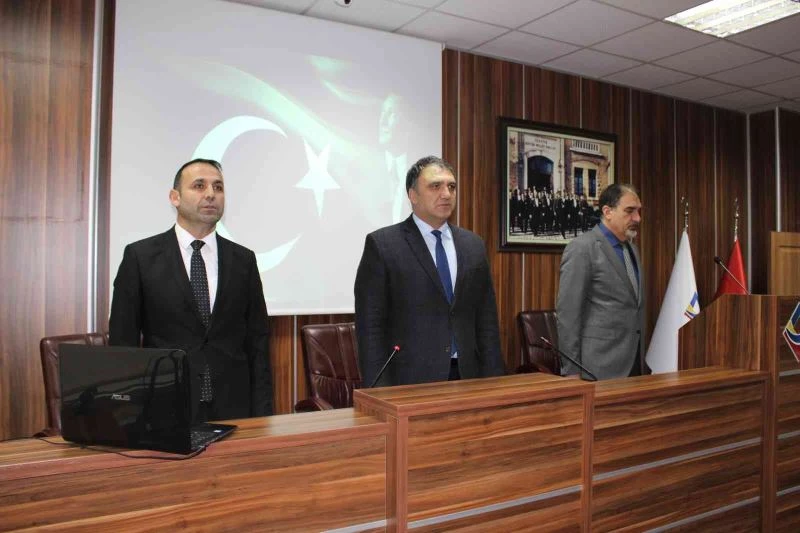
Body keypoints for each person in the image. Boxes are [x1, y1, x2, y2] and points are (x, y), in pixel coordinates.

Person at [109, 158, 272, 421]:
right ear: (175, 197)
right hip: (163, 408)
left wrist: (263, 414)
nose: (211, 194)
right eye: (199, 186)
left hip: (234, 409)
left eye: (218, 187)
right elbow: (122, 343)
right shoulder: (140, 257)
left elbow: (258, 342)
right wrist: (128, 415)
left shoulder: (243, 260)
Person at [354, 156, 505, 386]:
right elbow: (370, 326)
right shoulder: (383, 245)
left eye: (451, 186)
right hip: (409, 380)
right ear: (413, 195)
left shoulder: (473, 245)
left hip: (469, 375)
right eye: (435, 186)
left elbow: (486, 319)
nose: (446, 194)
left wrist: (495, 380)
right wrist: (379, 390)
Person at [555, 183, 649, 379]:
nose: (637, 218)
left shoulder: (632, 250)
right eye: (630, 211)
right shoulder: (582, 248)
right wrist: (571, 370)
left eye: (638, 211)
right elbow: (568, 315)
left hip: (634, 364)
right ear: (607, 212)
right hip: (598, 367)